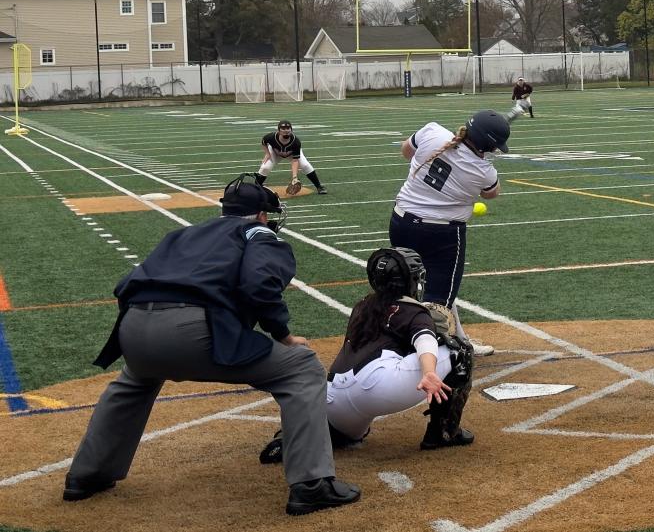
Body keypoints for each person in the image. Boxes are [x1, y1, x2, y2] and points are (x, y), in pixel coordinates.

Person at [63, 173, 360, 516]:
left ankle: (86, 475)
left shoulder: (183, 234)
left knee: (133, 382)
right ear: (263, 215)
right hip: (193, 331)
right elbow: (260, 284)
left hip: (134, 327)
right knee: (304, 368)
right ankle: (311, 484)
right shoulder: (258, 234)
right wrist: (283, 335)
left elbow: (125, 283)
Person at [257, 248, 474, 463]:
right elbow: (424, 341)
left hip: (332, 396)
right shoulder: (414, 311)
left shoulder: (361, 305)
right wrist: (428, 372)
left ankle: (298, 439)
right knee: (460, 350)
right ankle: (443, 432)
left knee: (348, 437)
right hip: (378, 386)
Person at [388, 110, 509, 357]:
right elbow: (491, 193)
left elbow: (406, 151)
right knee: (437, 300)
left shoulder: (433, 131)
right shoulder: (484, 171)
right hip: (441, 234)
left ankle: (459, 338)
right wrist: (482, 161)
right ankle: (428, 357)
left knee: (408, 288)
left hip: (401, 221)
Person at [257, 119, 326, 195]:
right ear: (279, 130)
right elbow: (263, 142)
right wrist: (267, 153)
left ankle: (319, 186)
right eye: (283, 129)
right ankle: (257, 185)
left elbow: (295, 161)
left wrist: (294, 177)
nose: (286, 130)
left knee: (305, 165)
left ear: (291, 130)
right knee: (265, 167)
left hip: (291, 154)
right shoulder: (271, 137)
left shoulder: (295, 142)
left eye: (288, 128)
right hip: (275, 153)